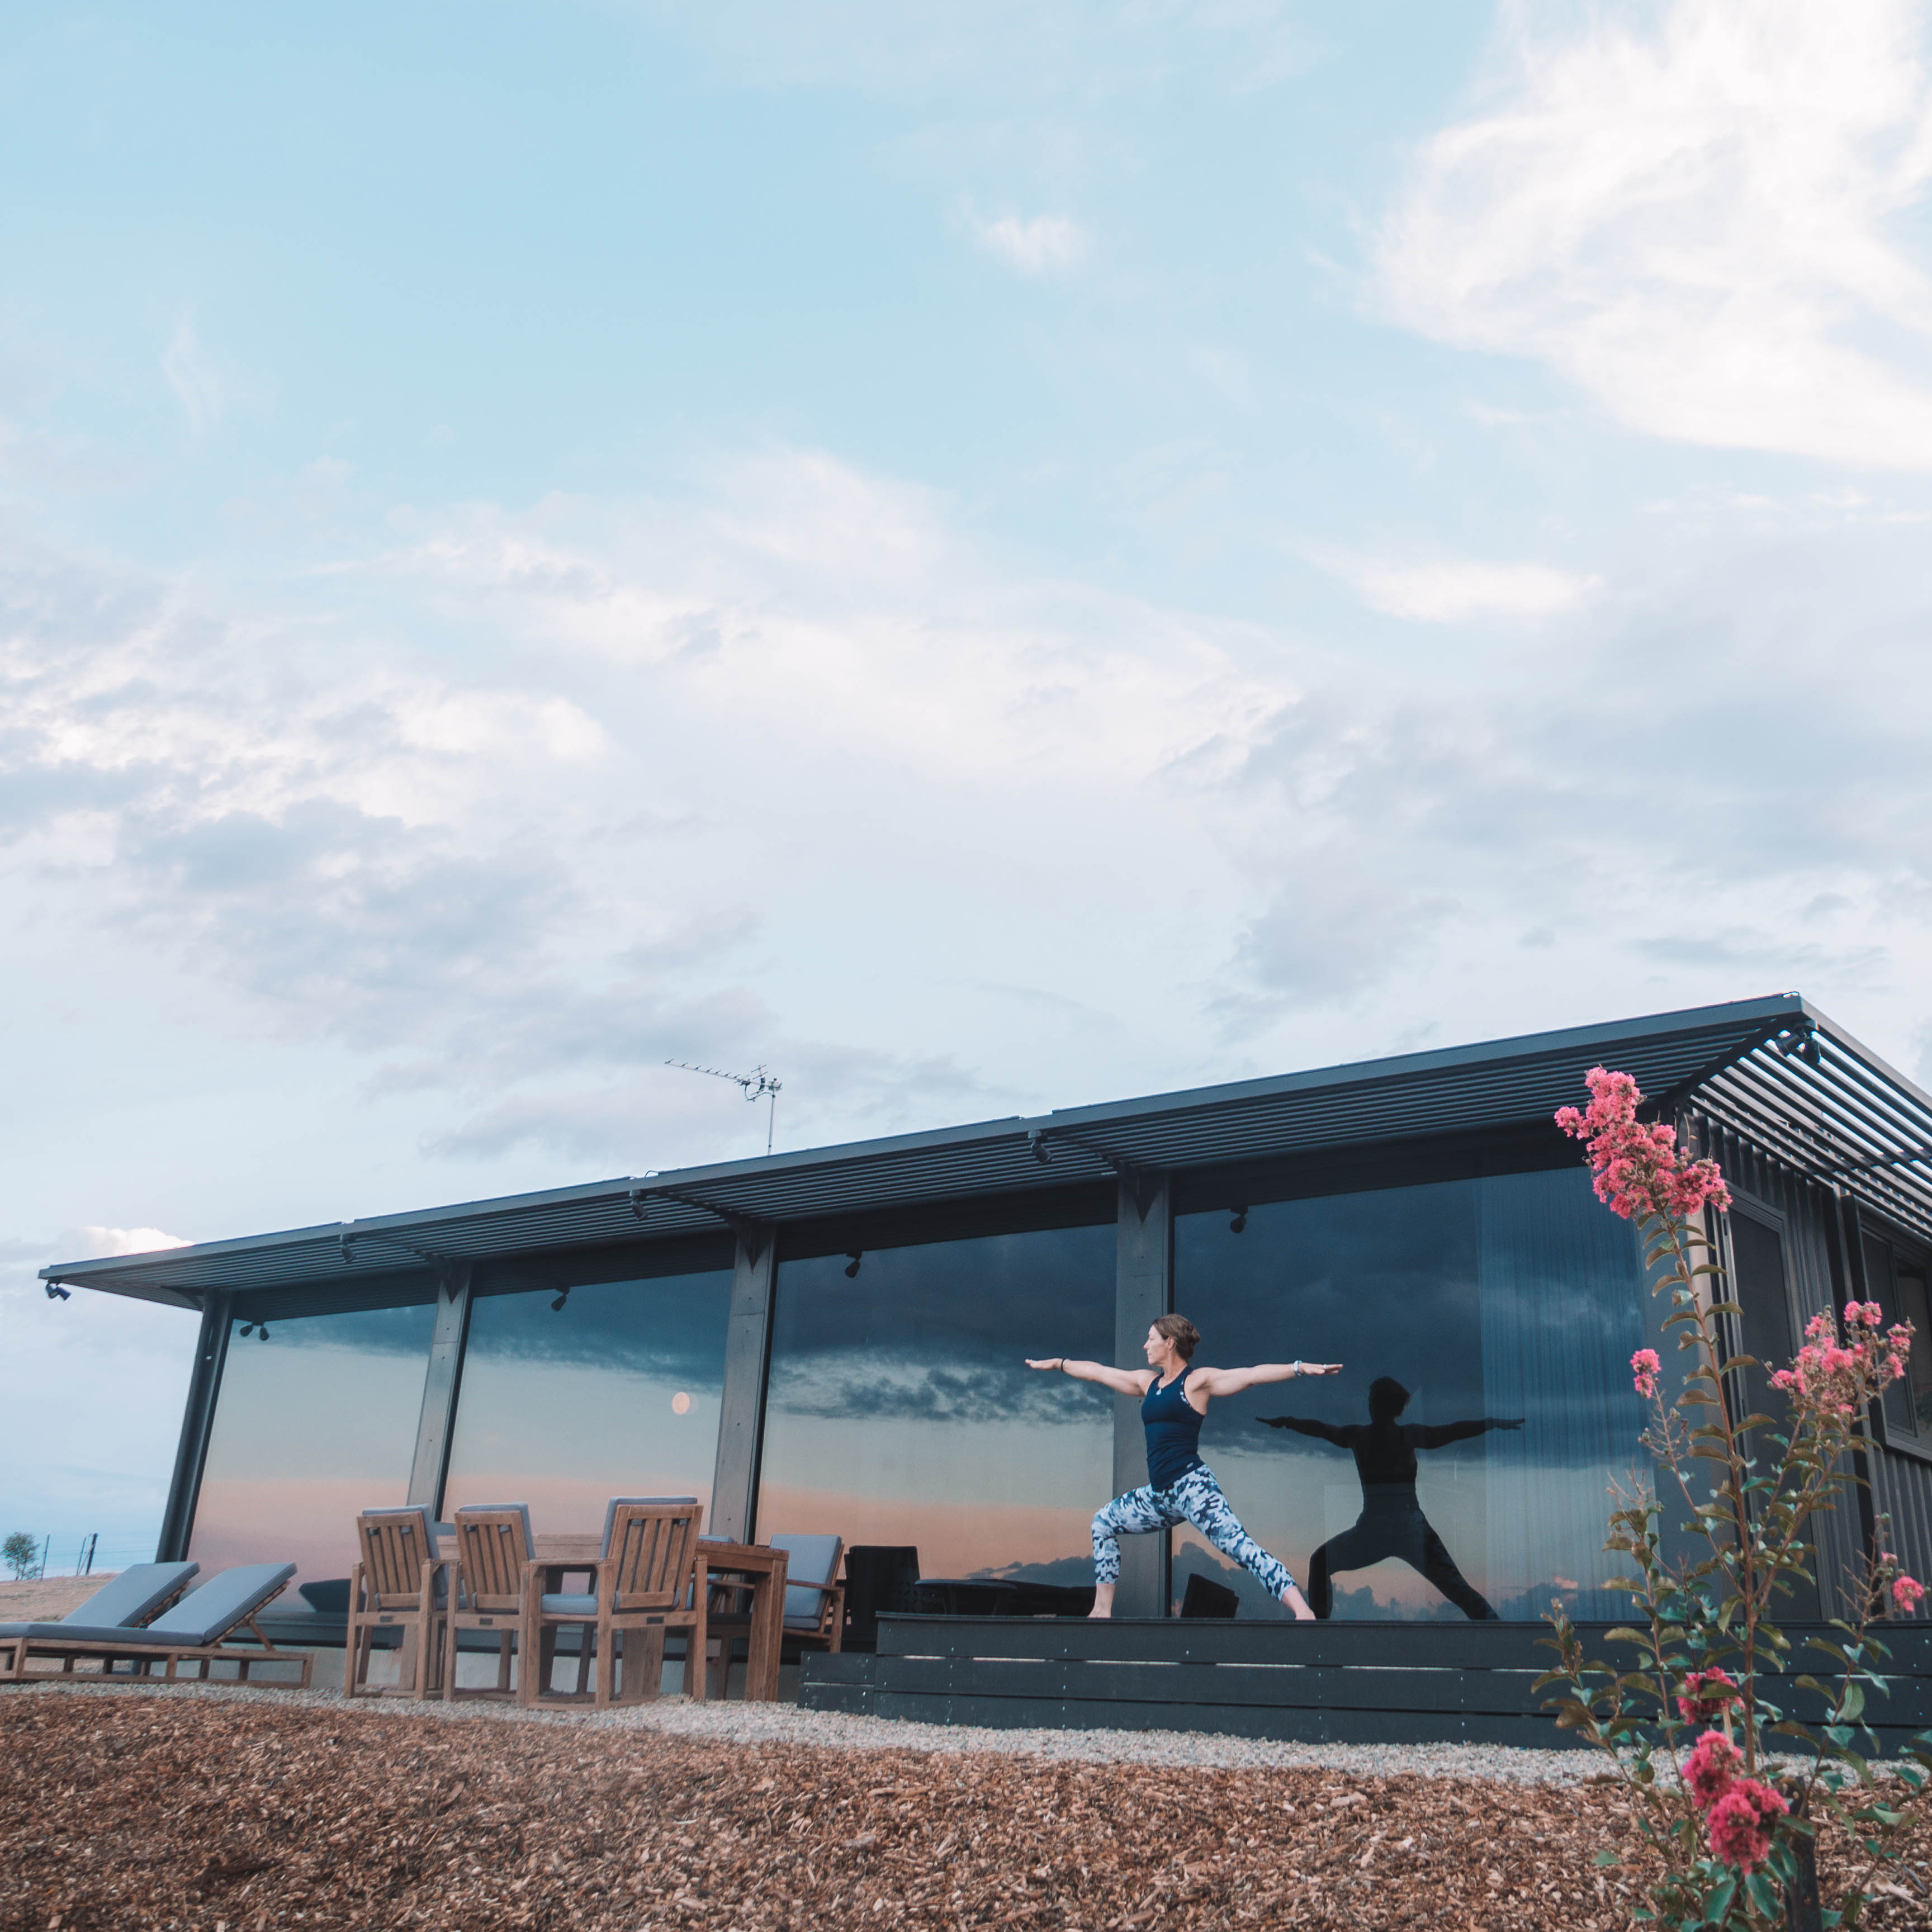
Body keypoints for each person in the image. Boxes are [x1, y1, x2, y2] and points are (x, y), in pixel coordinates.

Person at [1026, 1314, 1341, 1620]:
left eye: (1151, 1340)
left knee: (1241, 1549)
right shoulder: (1147, 1383)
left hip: (1193, 1489)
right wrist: (1059, 1364)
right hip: (1160, 1496)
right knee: (1103, 1523)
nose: (1145, 1346)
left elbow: (1250, 1374)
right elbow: (1098, 1372)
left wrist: (1298, 1368)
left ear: (1170, 1343)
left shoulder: (1196, 1383)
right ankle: (1102, 1610)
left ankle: (1302, 1611)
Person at [1257, 1375, 1523, 1620]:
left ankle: (1319, 1637)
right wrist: (1289, 1422)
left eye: (1372, 1400)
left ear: (1380, 1405)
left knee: (1321, 1562)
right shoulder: (1383, 1436)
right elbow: (1320, 1428)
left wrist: (1289, 1422)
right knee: (1457, 1588)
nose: (1370, 1405)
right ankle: (1320, 1636)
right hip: (1396, 1528)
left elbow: (1452, 1430)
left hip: (1393, 1528)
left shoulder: (1372, 1436)